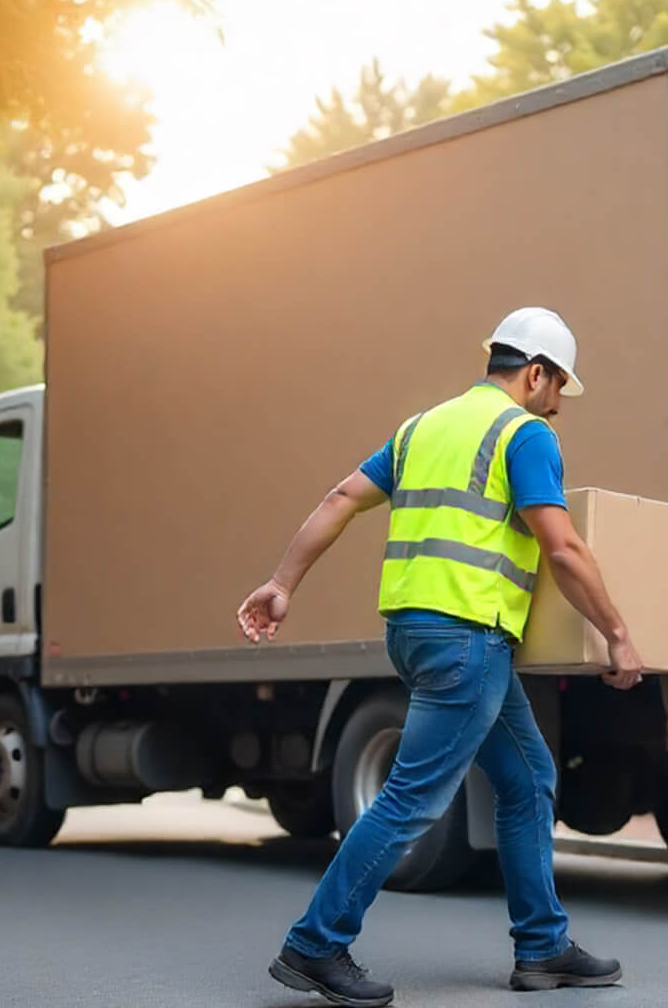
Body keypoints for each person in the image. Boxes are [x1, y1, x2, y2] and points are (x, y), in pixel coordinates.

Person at [237, 306, 644, 1007]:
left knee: (527, 778)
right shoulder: (525, 434)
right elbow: (564, 547)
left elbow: (341, 498)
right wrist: (618, 631)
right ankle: (315, 942)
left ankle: (543, 944)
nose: (558, 406)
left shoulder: (422, 427)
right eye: (557, 388)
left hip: (414, 632)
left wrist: (282, 582)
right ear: (536, 373)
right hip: (469, 638)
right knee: (410, 798)